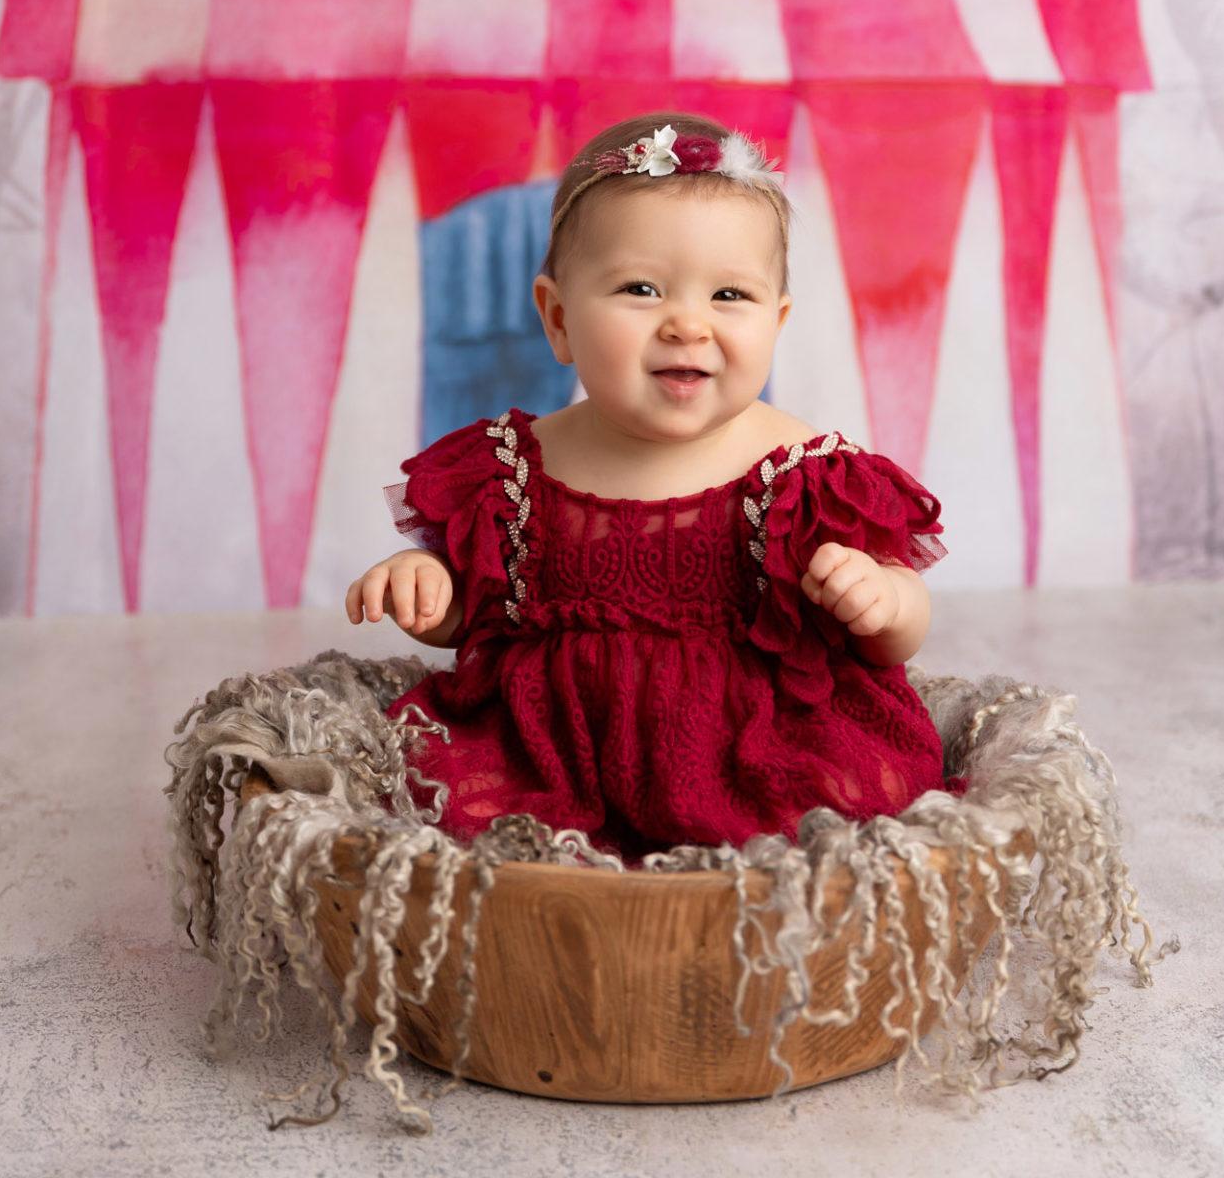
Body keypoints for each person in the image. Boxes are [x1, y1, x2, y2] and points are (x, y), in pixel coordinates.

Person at [345, 111, 965, 863]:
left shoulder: (803, 472)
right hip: (551, 750)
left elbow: (900, 628)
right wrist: (430, 589)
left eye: (729, 297)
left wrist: (883, 598)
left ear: (778, 320)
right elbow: (477, 618)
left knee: (835, 822)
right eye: (641, 288)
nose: (686, 325)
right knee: (442, 812)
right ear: (558, 318)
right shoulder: (517, 468)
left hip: (758, 749)